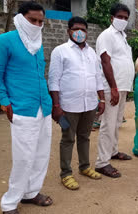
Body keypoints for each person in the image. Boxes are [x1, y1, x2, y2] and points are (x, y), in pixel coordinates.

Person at [0, 2, 53, 213]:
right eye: (32, 20)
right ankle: (9, 203)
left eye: (40, 21)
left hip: (43, 107)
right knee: (24, 158)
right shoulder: (4, 41)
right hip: (21, 108)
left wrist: (49, 102)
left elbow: (39, 75)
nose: (36, 24)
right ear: (20, 18)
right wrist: (4, 102)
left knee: (41, 154)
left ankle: (31, 193)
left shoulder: (37, 42)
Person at [48, 16, 105, 190]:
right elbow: (53, 80)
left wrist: (101, 99)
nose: (80, 32)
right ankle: (66, 173)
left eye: (83, 29)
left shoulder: (91, 52)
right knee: (67, 138)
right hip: (67, 106)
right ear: (69, 31)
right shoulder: (60, 51)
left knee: (85, 136)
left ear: (87, 32)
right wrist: (56, 106)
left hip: (89, 104)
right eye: (75, 29)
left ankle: (85, 166)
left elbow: (98, 78)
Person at [95, 3, 135, 178]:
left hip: (122, 87)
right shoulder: (107, 35)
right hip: (113, 87)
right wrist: (113, 87)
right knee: (108, 125)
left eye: (126, 18)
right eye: (120, 17)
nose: (123, 20)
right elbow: (105, 61)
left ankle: (113, 151)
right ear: (111, 18)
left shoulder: (122, 37)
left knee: (117, 123)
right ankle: (102, 162)